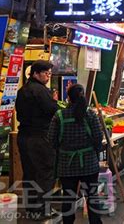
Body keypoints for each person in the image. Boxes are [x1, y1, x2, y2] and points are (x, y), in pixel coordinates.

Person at [48, 84, 103, 224]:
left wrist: (63, 149)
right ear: (83, 95)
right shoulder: (90, 114)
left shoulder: (59, 115)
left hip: (67, 164)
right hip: (89, 163)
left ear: (68, 98)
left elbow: (51, 139)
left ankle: (68, 222)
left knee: (68, 197)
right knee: (92, 195)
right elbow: (98, 137)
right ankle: (95, 222)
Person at [15, 60, 58, 218]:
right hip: (40, 137)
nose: (48, 76)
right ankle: (42, 210)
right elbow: (52, 110)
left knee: (29, 173)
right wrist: (54, 100)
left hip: (23, 136)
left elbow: (19, 114)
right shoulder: (40, 90)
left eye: (49, 73)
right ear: (35, 73)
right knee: (45, 172)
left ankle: (31, 209)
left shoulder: (22, 90)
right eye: (46, 73)